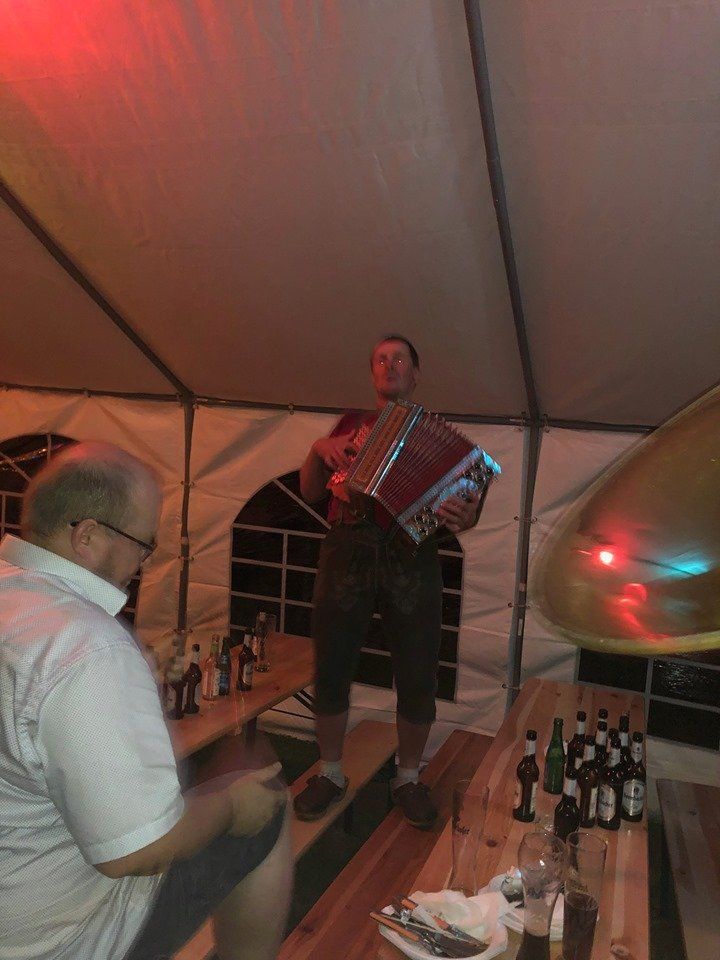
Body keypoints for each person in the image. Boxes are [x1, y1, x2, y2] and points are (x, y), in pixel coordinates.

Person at [0, 442, 292, 960]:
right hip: (46, 939)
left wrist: (136, 671)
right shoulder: (88, 647)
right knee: (265, 808)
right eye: (142, 544)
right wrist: (231, 808)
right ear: (87, 537)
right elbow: (136, 853)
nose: (144, 561)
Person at [293, 335, 480, 829]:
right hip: (347, 549)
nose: (389, 364)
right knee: (331, 664)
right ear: (372, 373)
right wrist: (317, 448)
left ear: (416, 374)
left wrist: (468, 514)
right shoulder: (348, 425)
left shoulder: (439, 443)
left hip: (411, 555)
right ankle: (330, 772)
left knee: (418, 669)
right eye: (380, 359)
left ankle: (408, 778)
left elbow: (466, 509)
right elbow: (310, 491)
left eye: (399, 358)